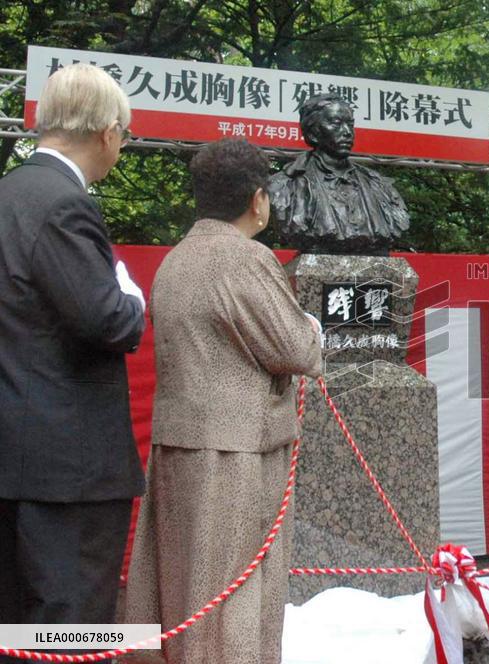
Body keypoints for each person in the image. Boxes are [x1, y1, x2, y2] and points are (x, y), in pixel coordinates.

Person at [124, 138, 323, 664]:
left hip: (179, 445)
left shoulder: (176, 259)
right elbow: (296, 348)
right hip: (235, 455)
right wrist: (311, 326)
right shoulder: (246, 258)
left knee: (179, 584)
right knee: (229, 595)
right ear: (258, 199)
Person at [0, 63, 145, 656]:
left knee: (15, 624)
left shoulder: (9, 192)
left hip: (14, 453)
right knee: (70, 627)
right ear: (109, 132)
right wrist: (130, 292)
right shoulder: (64, 205)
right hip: (68, 468)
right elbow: (107, 319)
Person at [268, 93, 410, 255]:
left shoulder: (379, 185)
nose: (347, 132)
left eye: (350, 124)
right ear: (312, 134)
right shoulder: (283, 186)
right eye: (336, 123)